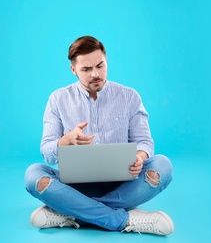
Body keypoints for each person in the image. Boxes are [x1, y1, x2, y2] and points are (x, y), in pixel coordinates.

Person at [24, 36, 174, 235]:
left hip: (124, 185)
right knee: (33, 175)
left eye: (100, 65)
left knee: (163, 165)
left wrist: (140, 157)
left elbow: (144, 142)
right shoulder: (57, 99)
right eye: (86, 69)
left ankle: (70, 213)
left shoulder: (129, 96)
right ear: (73, 70)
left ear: (106, 61)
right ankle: (123, 220)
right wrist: (64, 141)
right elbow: (47, 153)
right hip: (76, 187)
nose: (95, 74)